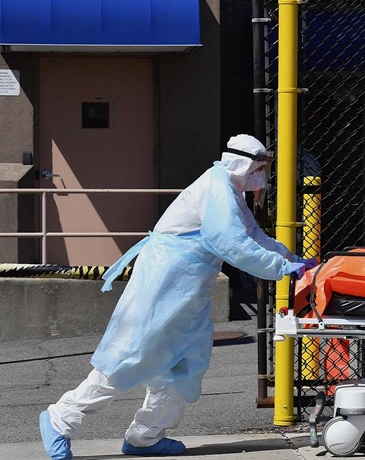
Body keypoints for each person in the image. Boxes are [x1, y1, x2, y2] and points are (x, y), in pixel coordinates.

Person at [39, 134, 318, 459]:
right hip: (162, 287)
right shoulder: (218, 190)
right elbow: (234, 244)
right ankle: (60, 419)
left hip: (185, 293)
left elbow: (253, 235)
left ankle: (145, 436)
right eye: (259, 167)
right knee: (128, 358)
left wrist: (292, 261)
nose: (262, 174)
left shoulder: (230, 191)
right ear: (243, 164)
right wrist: (285, 267)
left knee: (184, 366)